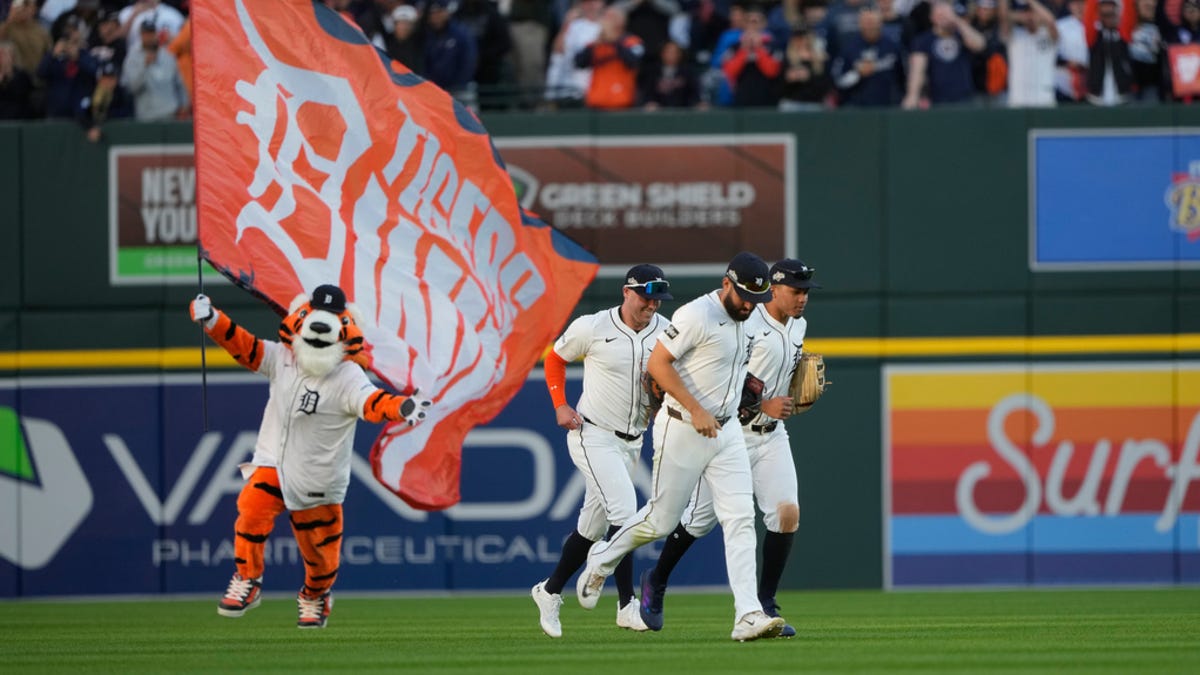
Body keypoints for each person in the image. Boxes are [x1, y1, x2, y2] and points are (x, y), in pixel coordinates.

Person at [574, 252, 789, 643]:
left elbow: (733, 371)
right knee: (660, 521)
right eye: (742, 295)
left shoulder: (749, 319)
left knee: (740, 519)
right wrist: (695, 408)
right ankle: (603, 558)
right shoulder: (697, 315)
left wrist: (748, 398)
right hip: (683, 426)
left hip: (726, 434)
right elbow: (658, 364)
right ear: (727, 284)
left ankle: (748, 615)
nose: (747, 305)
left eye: (755, 299)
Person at [190, 285, 432, 629]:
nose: (320, 327)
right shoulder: (282, 357)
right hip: (273, 461)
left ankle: (315, 596)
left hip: (319, 476)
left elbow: (372, 402)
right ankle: (248, 579)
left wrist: (402, 406)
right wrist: (213, 320)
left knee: (320, 554)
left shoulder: (348, 374)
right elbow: (245, 347)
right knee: (251, 510)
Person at [636, 258, 821, 639]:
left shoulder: (799, 325)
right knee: (697, 521)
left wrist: (790, 395)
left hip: (771, 436)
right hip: (729, 433)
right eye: (795, 291)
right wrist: (761, 403)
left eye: (806, 292)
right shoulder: (746, 320)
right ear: (775, 287)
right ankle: (656, 579)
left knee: (787, 514)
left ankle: (765, 605)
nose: (802, 299)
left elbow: (774, 375)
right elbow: (721, 382)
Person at [529, 264, 674, 639]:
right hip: (591, 434)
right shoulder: (592, 326)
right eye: (646, 296)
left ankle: (549, 590)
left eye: (657, 298)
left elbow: (673, 376)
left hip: (633, 440)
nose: (652, 305)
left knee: (592, 527)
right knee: (626, 513)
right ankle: (626, 605)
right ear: (627, 292)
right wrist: (560, 404)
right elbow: (555, 358)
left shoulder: (665, 329)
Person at [903, 0, 987, 108]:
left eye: (945, 14)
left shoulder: (962, 35)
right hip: (937, 99)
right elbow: (917, 70)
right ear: (932, 17)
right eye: (939, 15)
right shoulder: (923, 40)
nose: (943, 18)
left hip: (965, 98)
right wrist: (912, 95)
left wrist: (956, 21)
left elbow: (980, 45)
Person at [832, 3, 905, 106]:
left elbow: (902, 77)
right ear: (860, 24)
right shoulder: (849, 48)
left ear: (881, 23)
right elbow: (838, 80)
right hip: (856, 108)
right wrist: (857, 73)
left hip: (888, 106)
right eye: (866, 22)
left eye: (873, 22)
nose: (870, 26)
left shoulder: (892, 47)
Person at [574, 4, 645, 109]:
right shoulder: (596, 44)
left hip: (622, 103)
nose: (605, 21)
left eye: (610, 17)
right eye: (604, 17)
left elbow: (633, 61)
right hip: (596, 103)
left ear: (621, 21)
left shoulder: (632, 41)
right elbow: (579, 63)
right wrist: (596, 44)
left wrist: (614, 41)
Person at [121, 19, 187, 120]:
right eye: (146, 34)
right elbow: (131, 88)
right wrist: (144, 66)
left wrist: (184, 105)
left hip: (171, 114)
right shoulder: (132, 57)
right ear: (141, 35)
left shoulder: (167, 55)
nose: (149, 37)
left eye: (151, 33)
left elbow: (179, 84)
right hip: (147, 117)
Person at [1000, 0, 1060, 107]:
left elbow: (1051, 21)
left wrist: (1031, 2)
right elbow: (1004, 16)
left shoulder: (1048, 35)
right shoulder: (1015, 35)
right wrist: (1023, 17)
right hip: (1018, 100)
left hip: (1044, 99)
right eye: (1026, 12)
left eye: (1033, 12)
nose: (1030, 16)